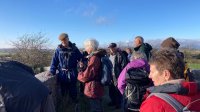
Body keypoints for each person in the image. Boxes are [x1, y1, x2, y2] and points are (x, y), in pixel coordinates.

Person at [47, 33, 83, 104]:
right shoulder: (58, 50)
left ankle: (74, 101)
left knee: (73, 87)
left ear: (68, 39)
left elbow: (81, 57)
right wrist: (52, 71)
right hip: (62, 73)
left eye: (65, 41)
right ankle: (65, 102)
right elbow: (54, 61)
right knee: (63, 88)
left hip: (72, 72)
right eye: (62, 42)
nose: (64, 43)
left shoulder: (74, 49)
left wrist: (82, 62)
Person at [78, 39, 104, 112]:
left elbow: (87, 76)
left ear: (91, 47)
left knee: (95, 107)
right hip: (97, 85)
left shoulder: (94, 58)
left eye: (86, 46)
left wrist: (80, 72)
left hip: (93, 87)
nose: (85, 49)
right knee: (98, 105)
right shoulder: (97, 56)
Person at [108, 43, 129, 109]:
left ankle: (119, 103)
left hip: (117, 75)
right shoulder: (109, 55)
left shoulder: (120, 55)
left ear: (115, 47)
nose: (111, 49)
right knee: (111, 89)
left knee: (118, 90)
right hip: (110, 75)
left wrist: (121, 76)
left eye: (112, 47)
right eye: (110, 47)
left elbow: (124, 66)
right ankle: (113, 101)